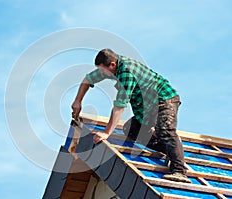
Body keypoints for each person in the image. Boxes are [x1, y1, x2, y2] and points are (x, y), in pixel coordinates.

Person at [71, 48, 191, 183]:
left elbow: (120, 105)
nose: (102, 74)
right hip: (147, 106)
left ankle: (179, 171)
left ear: (112, 65)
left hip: (164, 99)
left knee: (165, 131)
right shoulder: (111, 67)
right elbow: (88, 79)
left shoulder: (127, 72)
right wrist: (78, 101)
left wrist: (107, 132)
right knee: (131, 129)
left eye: (103, 71)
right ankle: (172, 151)